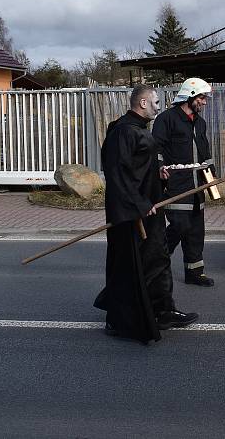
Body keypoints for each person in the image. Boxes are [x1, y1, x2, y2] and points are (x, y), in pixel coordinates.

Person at [94, 84, 197, 343]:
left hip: (149, 208)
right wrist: (139, 204)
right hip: (132, 214)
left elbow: (138, 169)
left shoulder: (139, 129)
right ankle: (118, 319)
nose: (159, 108)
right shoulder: (123, 132)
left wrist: (157, 175)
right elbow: (118, 173)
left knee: (158, 260)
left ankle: (163, 311)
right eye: (156, 104)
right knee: (129, 265)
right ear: (142, 103)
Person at [152, 77, 216, 287]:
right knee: (180, 225)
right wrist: (160, 167)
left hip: (198, 183)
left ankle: (195, 272)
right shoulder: (167, 119)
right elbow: (156, 148)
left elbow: (205, 151)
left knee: (197, 230)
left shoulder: (200, 123)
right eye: (202, 97)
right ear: (189, 96)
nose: (204, 102)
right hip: (176, 184)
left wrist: (211, 175)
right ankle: (155, 263)